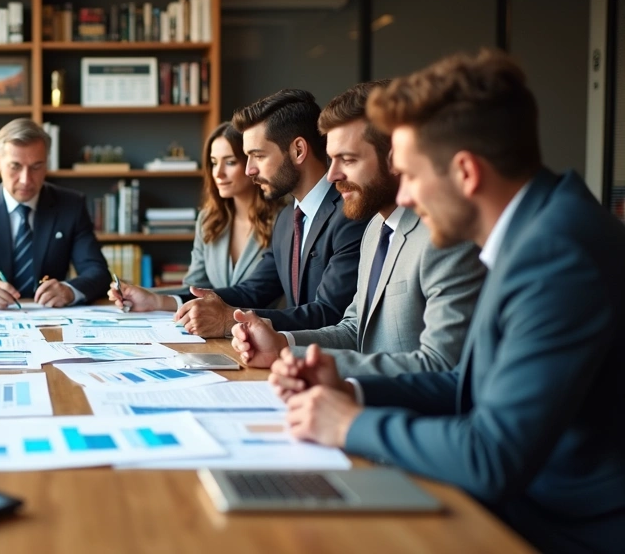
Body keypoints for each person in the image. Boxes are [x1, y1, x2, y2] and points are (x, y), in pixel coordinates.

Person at [273, 50, 625, 553]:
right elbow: (468, 383)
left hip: (560, 526)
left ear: (466, 173)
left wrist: (349, 424)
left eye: (412, 176)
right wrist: (352, 392)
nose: (407, 198)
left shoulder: (559, 254)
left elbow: (491, 457)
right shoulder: (538, 227)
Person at [230, 81, 484, 376]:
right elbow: (354, 331)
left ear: (395, 158)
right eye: (332, 158)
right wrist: (282, 346)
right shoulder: (376, 228)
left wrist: (342, 383)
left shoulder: (445, 240)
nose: (333, 175)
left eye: (348, 159)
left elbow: (440, 366)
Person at [110, 89, 366, 335]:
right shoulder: (288, 218)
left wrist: (228, 321)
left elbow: (330, 314)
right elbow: (251, 292)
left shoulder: (350, 215)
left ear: (298, 150)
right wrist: (159, 301)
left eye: (258, 156)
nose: (249, 170)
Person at [0, 118, 109, 308]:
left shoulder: (70, 205)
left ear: (47, 164)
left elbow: (97, 272)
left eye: (36, 167)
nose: (26, 180)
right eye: (15, 166)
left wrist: (69, 291)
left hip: (52, 320)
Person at [181, 122, 279, 290]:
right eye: (213, 162)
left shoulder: (282, 220)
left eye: (230, 162)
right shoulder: (208, 220)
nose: (218, 173)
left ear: (252, 164)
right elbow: (193, 288)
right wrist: (147, 296)